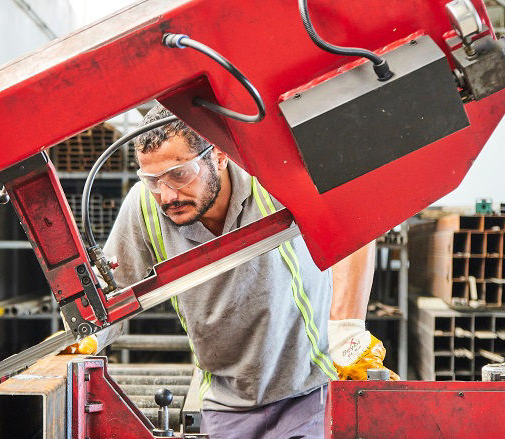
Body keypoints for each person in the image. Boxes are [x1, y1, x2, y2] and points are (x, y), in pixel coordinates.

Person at [100, 104, 396, 438]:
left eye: (180, 174)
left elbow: (354, 219)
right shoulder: (144, 205)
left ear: (220, 156)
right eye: (152, 180)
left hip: (309, 389)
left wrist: (347, 328)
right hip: (227, 402)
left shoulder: (270, 178)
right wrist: (84, 338)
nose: (166, 195)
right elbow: (112, 294)